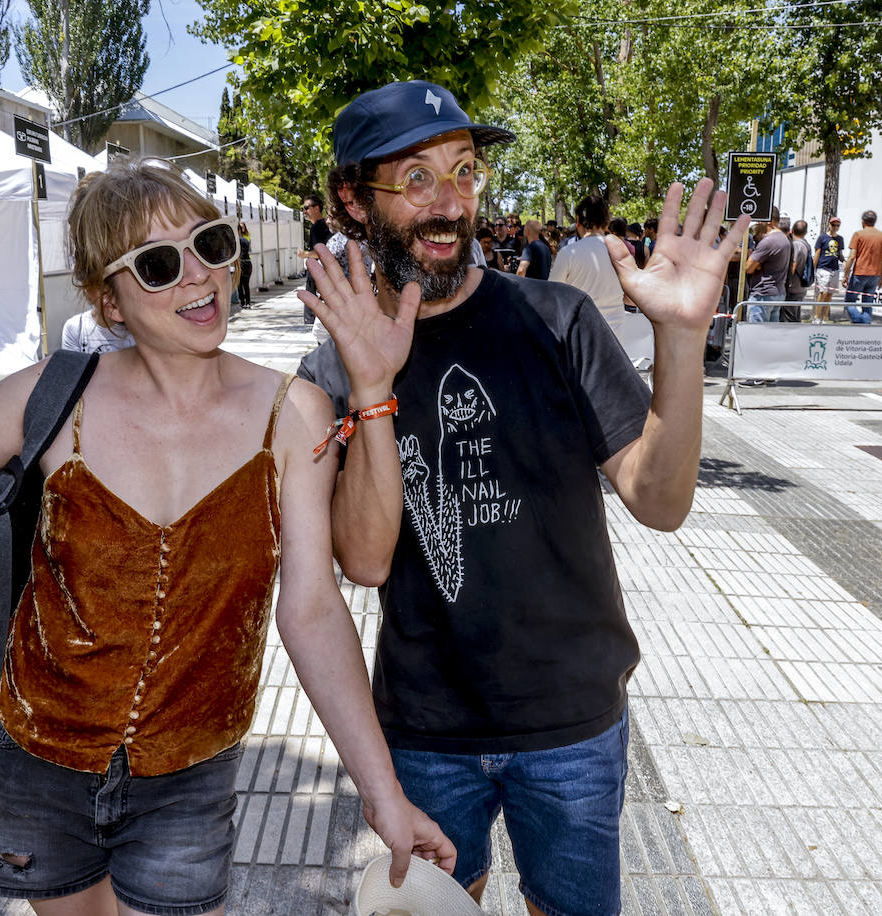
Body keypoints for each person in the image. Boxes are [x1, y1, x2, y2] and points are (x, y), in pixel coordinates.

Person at [0, 160, 453, 914]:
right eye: (158, 264)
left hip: (190, 774)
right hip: (34, 761)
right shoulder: (57, 393)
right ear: (108, 300)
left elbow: (310, 610)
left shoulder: (295, 412)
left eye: (211, 244)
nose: (200, 277)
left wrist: (382, 794)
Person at [297, 80, 746, 916]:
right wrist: (371, 386)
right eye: (417, 178)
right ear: (353, 202)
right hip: (426, 727)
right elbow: (361, 559)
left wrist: (681, 339)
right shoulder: (334, 366)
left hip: (572, 719)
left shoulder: (559, 319)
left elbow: (659, 499)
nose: (450, 203)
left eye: (464, 173)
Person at [549, 194, 625, 332]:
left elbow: (552, 295)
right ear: (607, 223)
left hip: (581, 335)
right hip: (616, 336)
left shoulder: (568, 253)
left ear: (578, 222)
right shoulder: (620, 252)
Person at [744, 207, 790, 322]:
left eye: (760, 219)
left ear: (769, 221)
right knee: (770, 337)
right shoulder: (785, 239)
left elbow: (748, 268)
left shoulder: (768, 241)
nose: (758, 223)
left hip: (763, 295)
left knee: (756, 336)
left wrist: (754, 261)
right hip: (777, 293)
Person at [843, 209, 882, 324]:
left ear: (863, 221)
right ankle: (865, 326)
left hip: (860, 273)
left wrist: (845, 275)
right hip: (875, 275)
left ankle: (859, 322)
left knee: (849, 302)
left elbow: (852, 256)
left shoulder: (858, 234)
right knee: (867, 303)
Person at [298, 193, 333, 324]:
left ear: (317, 208)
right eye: (303, 208)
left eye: (307, 208)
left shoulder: (317, 227)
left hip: (317, 272)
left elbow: (320, 252)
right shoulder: (322, 226)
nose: (304, 211)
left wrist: (305, 254)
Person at [812, 216, 845, 323]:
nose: (835, 227)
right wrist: (813, 269)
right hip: (823, 268)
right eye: (833, 225)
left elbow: (840, 254)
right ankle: (816, 317)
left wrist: (844, 262)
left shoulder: (840, 239)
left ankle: (824, 318)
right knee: (823, 292)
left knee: (830, 294)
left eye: (837, 225)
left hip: (834, 269)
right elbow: (817, 253)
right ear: (829, 225)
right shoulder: (822, 238)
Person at [782, 219, 813, 322]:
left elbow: (792, 266)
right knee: (795, 317)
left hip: (793, 288)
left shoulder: (796, 245)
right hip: (800, 287)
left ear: (792, 230)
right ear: (805, 232)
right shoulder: (806, 245)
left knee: (789, 319)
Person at [235, 219, 253, 308]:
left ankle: (242, 302)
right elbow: (248, 251)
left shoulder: (235, 241)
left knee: (239, 285)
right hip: (248, 263)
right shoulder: (246, 240)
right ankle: (248, 302)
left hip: (240, 263)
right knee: (246, 284)